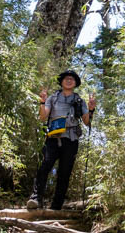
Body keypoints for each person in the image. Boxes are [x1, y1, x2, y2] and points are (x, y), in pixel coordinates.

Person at [27, 69, 96, 210]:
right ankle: (35, 199)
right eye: (66, 78)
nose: (69, 80)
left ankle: (56, 206)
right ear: (62, 81)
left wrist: (90, 110)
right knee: (44, 167)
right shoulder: (53, 98)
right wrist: (42, 102)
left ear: (76, 83)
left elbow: (87, 122)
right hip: (52, 138)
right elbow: (43, 117)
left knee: (65, 172)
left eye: (72, 78)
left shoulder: (79, 101)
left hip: (71, 140)